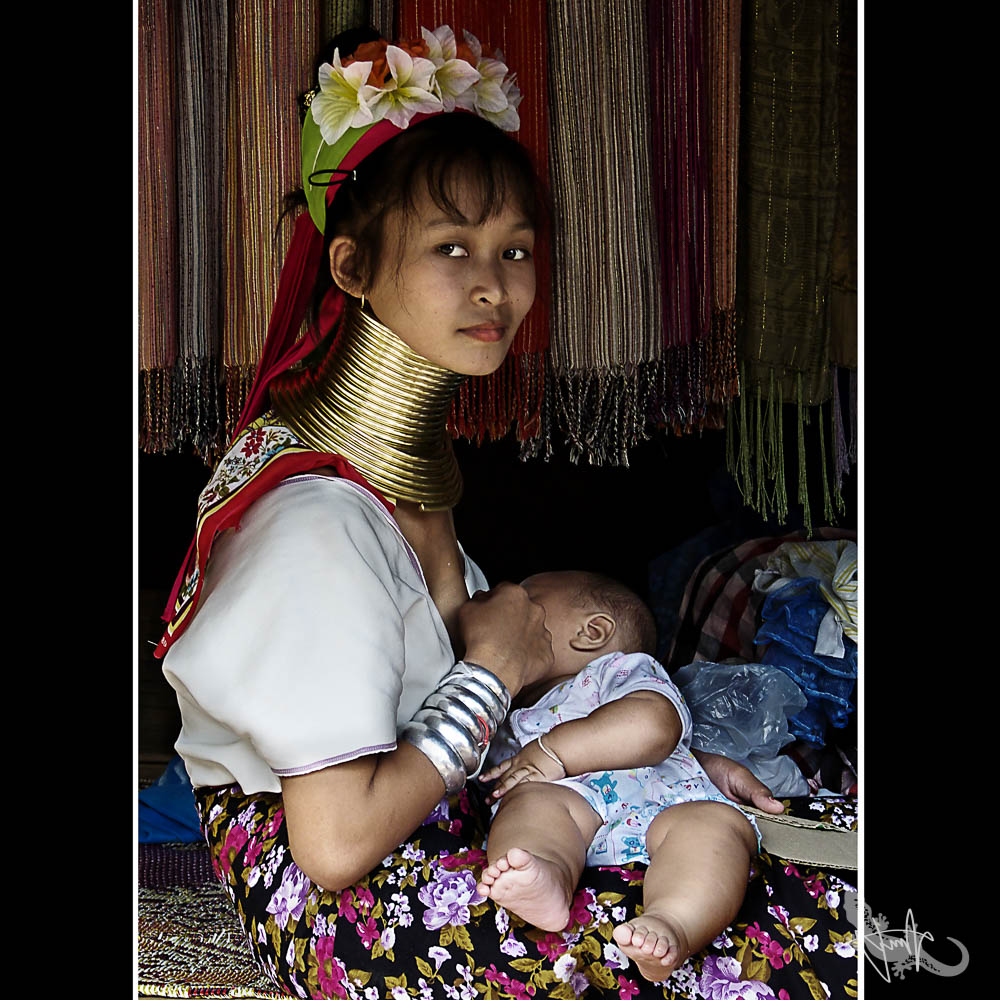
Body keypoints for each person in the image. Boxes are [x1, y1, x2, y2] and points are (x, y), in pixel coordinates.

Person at [155, 25, 783, 998]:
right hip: (338, 883)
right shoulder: (316, 522)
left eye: (514, 249)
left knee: (734, 854)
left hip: (444, 808)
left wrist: (668, 767)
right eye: (452, 247)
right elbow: (335, 846)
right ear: (351, 266)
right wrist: (494, 670)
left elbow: (456, 704)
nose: (495, 286)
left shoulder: (406, 484)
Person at [473, 571, 760, 984]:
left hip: (667, 805)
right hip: (568, 814)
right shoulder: (502, 709)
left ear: (591, 632)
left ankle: (673, 922)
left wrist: (553, 751)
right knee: (527, 803)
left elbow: (654, 726)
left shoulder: (615, 672)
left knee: (714, 829)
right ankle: (547, 874)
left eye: (526, 599)